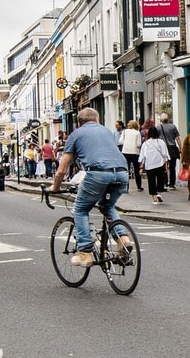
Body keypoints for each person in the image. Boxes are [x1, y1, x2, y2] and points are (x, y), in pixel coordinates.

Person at [49, 107, 132, 267]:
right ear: (97, 120)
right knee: (108, 205)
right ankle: (123, 239)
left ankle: (85, 253)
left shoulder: (76, 135)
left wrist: (55, 187)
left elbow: (61, 170)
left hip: (98, 174)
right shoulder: (107, 131)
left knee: (80, 209)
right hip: (122, 173)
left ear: (79, 123)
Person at [139, 125, 169, 204]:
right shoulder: (161, 142)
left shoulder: (145, 144)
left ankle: (154, 198)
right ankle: (158, 193)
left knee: (151, 182)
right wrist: (166, 166)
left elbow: (142, 156)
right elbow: (165, 155)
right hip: (160, 165)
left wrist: (141, 167)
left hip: (149, 165)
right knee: (160, 181)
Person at [159, 113, 182, 189]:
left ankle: (165, 182)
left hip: (162, 149)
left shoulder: (158, 128)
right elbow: (177, 138)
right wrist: (180, 147)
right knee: (172, 166)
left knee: (163, 166)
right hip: (172, 147)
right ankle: (172, 183)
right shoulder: (173, 127)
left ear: (161, 120)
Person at [120, 119, 144, 188]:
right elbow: (139, 144)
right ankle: (139, 186)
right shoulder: (137, 133)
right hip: (135, 152)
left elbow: (121, 141)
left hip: (125, 152)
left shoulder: (124, 131)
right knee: (136, 169)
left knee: (126, 170)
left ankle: (126, 187)